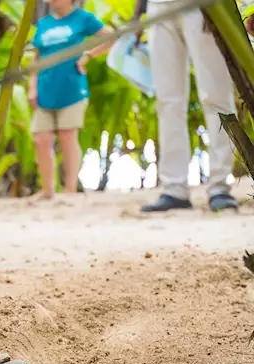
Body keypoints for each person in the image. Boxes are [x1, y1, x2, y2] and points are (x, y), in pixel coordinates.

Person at [133, 0, 239, 212]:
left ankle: (220, 186)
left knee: (216, 95)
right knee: (167, 100)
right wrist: (138, 14)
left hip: (203, 6)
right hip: (159, 7)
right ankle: (174, 188)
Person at [28, 0, 114, 201]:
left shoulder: (83, 18)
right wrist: (32, 87)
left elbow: (111, 36)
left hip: (72, 87)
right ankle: (48, 190)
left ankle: (70, 188)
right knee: (40, 138)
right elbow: (37, 58)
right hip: (45, 88)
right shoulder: (43, 24)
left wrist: (89, 56)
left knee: (68, 136)